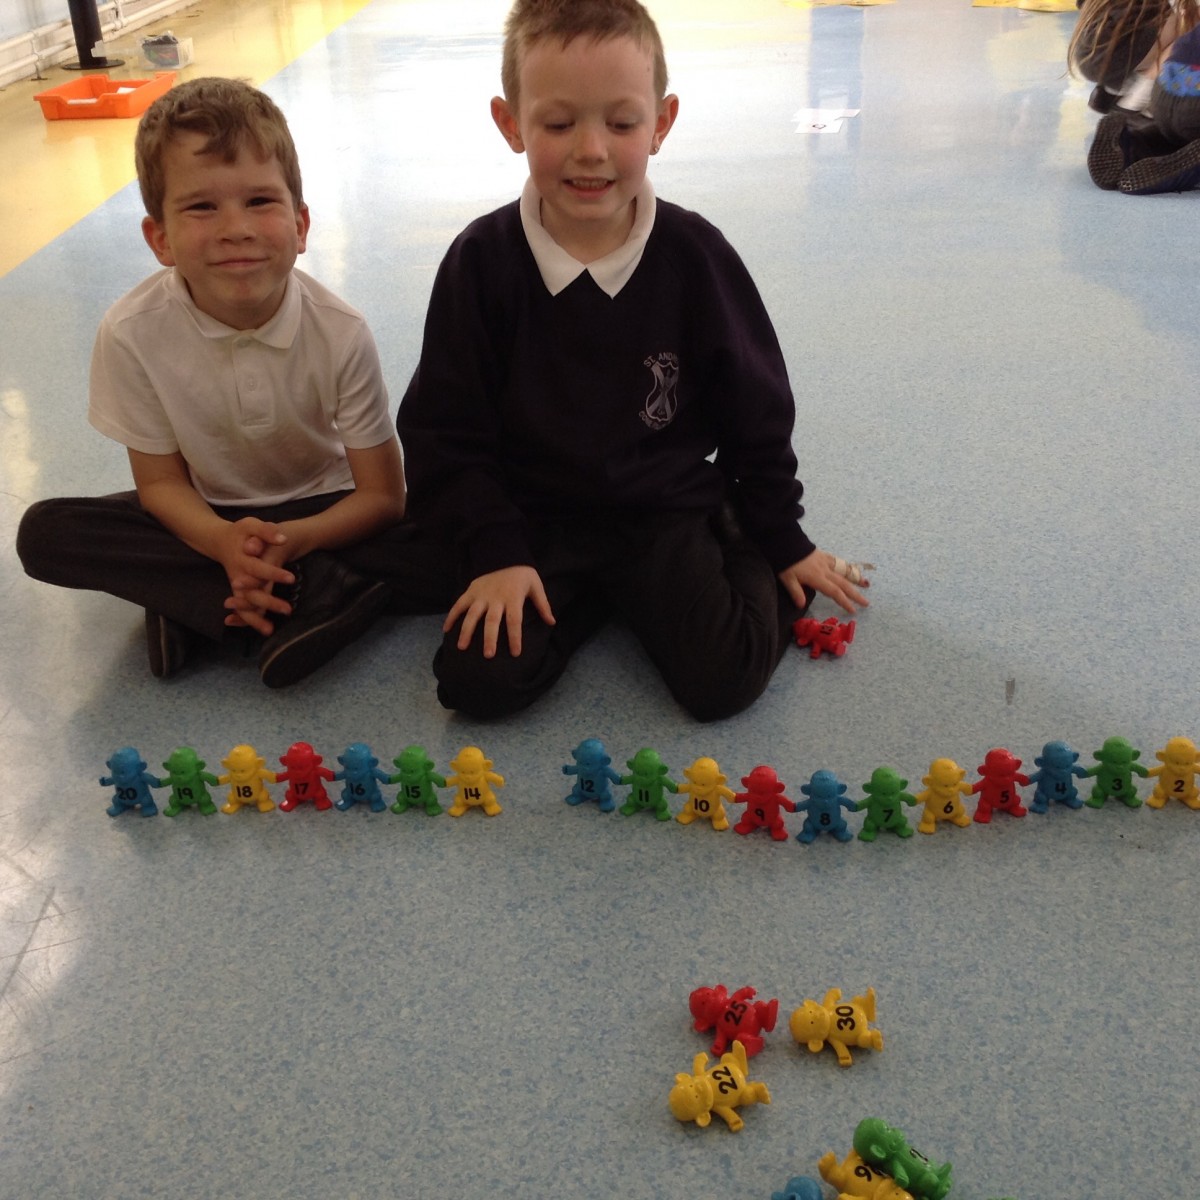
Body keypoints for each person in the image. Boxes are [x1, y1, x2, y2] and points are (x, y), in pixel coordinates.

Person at [397, 0, 868, 723]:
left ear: (662, 123)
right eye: (559, 125)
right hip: (533, 518)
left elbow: (757, 411)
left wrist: (782, 538)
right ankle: (596, 599)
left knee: (722, 680)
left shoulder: (695, 256)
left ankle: (732, 537)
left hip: (661, 511)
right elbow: (444, 434)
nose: (591, 150)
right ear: (511, 123)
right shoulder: (479, 263)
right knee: (478, 685)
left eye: (621, 124)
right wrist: (496, 552)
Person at [16, 77, 449, 687]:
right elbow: (161, 485)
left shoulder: (340, 331)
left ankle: (196, 606)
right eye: (201, 207)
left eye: (260, 201)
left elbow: (382, 497)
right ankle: (310, 595)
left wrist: (291, 540)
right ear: (160, 238)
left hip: (324, 510)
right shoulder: (130, 332)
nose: (235, 228)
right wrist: (222, 542)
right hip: (205, 514)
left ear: (301, 225)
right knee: (46, 534)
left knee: (453, 542)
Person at [1071, 0, 1200, 192]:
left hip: (1162, 96)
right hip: (1189, 102)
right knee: (1188, 17)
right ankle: (1191, 170)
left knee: (1175, 131)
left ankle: (1135, 145)